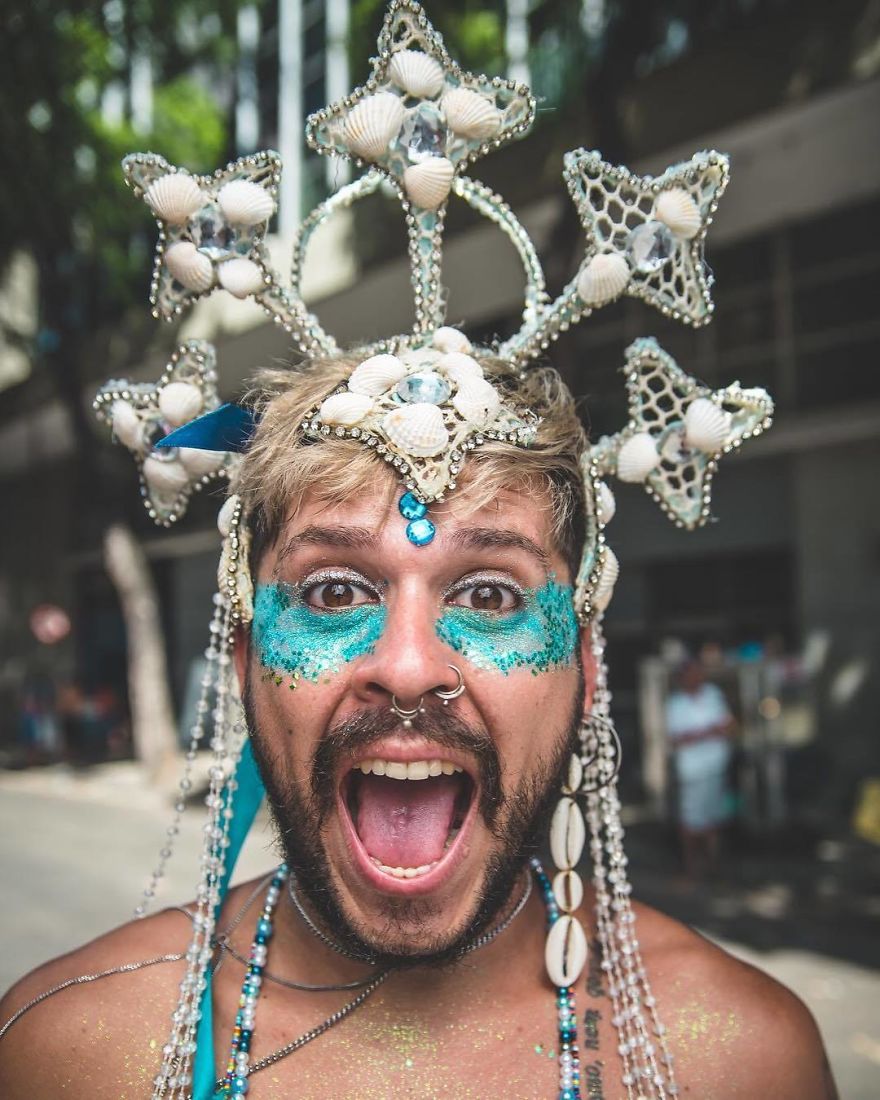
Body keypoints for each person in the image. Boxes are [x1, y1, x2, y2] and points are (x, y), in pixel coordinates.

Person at [0, 3, 836, 1097]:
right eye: (335, 587)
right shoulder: (73, 1051)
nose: (405, 664)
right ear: (246, 662)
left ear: (584, 666)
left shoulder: (737, 1059)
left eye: (489, 593)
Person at [665, 659, 736, 878]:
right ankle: (691, 867)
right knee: (690, 819)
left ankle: (714, 866)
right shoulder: (675, 705)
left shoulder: (713, 694)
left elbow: (729, 726)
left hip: (715, 765)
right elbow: (677, 738)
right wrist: (708, 732)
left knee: (713, 817)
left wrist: (701, 734)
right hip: (691, 770)